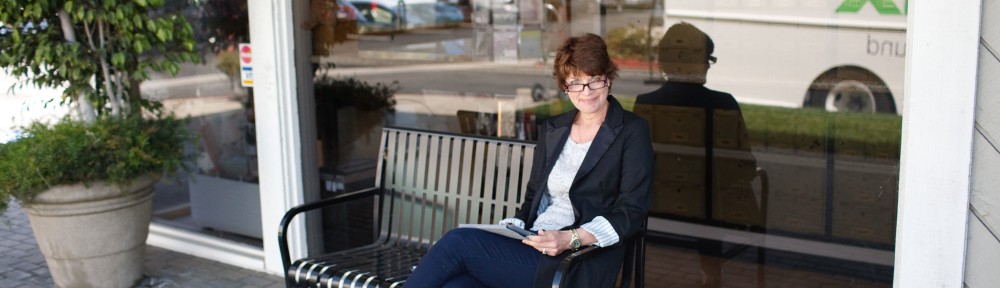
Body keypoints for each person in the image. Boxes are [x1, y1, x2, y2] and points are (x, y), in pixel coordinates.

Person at [405, 33, 654, 288]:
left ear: (608, 79)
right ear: (565, 86)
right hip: (533, 243)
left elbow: (632, 211)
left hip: (577, 260)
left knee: (458, 242)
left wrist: (571, 239)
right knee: (457, 286)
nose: (586, 91)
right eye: (576, 82)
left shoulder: (631, 130)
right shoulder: (554, 128)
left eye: (595, 81)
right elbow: (534, 194)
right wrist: (515, 225)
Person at [634, 22, 761, 288]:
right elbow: (746, 167)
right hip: (712, 217)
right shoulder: (723, 103)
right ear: (701, 63)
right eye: (707, 61)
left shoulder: (645, 103)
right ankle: (711, 274)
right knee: (711, 195)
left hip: (658, 214)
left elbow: (639, 164)